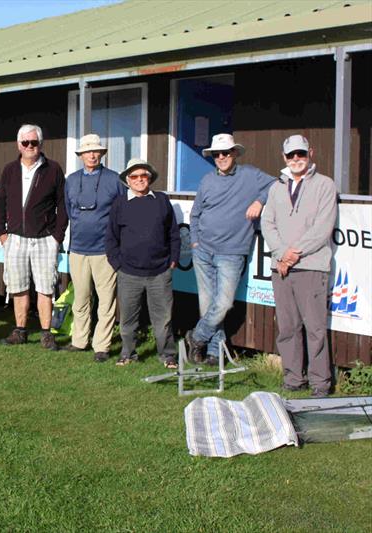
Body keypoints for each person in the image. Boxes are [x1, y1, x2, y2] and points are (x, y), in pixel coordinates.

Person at [185, 133, 274, 365]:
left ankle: (196, 336)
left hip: (232, 252)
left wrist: (260, 201)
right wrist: (194, 241)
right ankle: (215, 353)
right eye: (217, 154)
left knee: (223, 303)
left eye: (226, 152)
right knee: (208, 304)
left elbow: (277, 183)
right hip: (203, 250)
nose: (221, 157)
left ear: (234, 153)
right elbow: (195, 214)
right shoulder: (206, 180)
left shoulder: (251, 176)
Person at [261, 135, 337, 398]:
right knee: (287, 327)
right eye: (291, 155)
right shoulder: (276, 187)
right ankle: (293, 379)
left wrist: (293, 255)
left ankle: (320, 383)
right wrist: (282, 254)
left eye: (300, 154)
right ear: (284, 158)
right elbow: (267, 222)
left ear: (310, 153)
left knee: (315, 328)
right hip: (280, 267)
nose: (296, 159)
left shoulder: (325, 185)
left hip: (311, 267)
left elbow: (322, 228)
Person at [0, 124, 68, 350]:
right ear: (18, 145)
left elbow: (63, 205)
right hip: (15, 238)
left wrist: (57, 236)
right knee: (19, 287)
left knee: (45, 287)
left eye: (33, 142)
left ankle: (46, 334)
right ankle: (20, 330)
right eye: (25, 142)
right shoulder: (9, 169)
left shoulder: (53, 169)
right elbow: (0, 202)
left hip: (45, 239)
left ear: (40, 144)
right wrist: (2, 233)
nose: (29, 146)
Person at [106, 159, 180, 368]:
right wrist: (117, 264)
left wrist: (173, 259)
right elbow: (111, 238)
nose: (139, 180)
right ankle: (128, 353)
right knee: (128, 319)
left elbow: (173, 233)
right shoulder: (119, 203)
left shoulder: (161, 200)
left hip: (159, 272)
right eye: (135, 176)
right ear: (128, 180)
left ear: (149, 178)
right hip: (128, 273)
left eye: (143, 176)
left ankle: (167, 355)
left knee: (163, 318)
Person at [63, 133, 124, 362]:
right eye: (87, 151)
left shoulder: (115, 180)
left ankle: (102, 346)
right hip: (78, 249)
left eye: (95, 150)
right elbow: (69, 210)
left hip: (104, 250)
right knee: (81, 298)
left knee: (106, 301)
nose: (92, 154)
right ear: (81, 155)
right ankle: (79, 341)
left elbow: (121, 212)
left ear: (102, 153)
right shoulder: (71, 179)